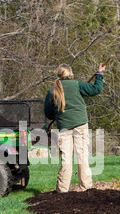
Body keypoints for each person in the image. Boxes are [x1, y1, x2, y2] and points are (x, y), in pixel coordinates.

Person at [44, 63, 105, 193]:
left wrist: (57, 112)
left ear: (58, 75)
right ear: (70, 75)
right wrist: (99, 74)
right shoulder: (78, 85)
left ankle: (62, 190)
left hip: (64, 127)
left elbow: (48, 114)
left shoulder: (52, 90)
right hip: (80, 125)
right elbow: (96, 89)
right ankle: (85, 188)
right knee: (82, 156)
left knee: (66, 159)